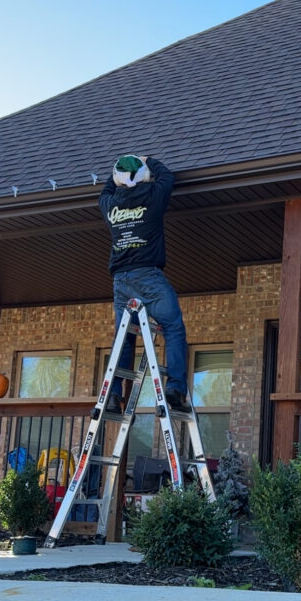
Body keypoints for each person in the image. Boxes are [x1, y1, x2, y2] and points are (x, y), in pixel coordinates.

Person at [98, 154, 189, 413]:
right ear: (144, 177)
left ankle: (114, 395)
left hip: (121, 282)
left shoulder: (109, 205)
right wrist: (147, 159)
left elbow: (106, 188)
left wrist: (118, 169)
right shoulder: (152, 197)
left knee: (124, 338)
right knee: (173, 327)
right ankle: (175, 388)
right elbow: (167, 176)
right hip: (148, 276)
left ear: (118, 180)